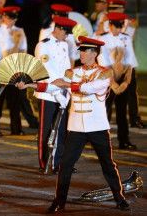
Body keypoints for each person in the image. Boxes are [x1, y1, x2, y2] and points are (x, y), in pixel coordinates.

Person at [16, 36, 130, 213]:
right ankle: (59, 201)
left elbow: (92, 88)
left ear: (94, 53)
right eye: (81, 51)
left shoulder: (104, 73)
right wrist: (30, 85)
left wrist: (68, 84)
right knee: (65, 165)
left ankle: (119, 197)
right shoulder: (73, 72)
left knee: (107, 164)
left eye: (85, 51)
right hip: (76, 127)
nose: (81, 54)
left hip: (97, 127)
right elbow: (54, 86)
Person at [34, 16, 77, 172]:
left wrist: (67, 89)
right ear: (58, 29)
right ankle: (44, 161)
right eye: (66, 33)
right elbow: (45, 70)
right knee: (46, 129)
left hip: (62, 93)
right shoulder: (43, 45)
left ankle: (57, 161)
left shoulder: (64, 45)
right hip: (48, 93)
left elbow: (66, 69)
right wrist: (57, 91)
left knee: (61, 129)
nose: (67, 36)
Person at [96, 12, 137, 150]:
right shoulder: (103, 38)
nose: (118, 29)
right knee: (104, 111)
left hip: (122, 77)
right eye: (116, 26)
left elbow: (130, 60)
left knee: (121, 111)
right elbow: (102, 61)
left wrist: (126, 81)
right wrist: (112, 82)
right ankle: (100, 141)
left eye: (120, 26)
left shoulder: (126, 38)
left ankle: (124, 140)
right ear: (110, 25)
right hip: (107, 79)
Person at [0, 6, 39, 134]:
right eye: (7, 17)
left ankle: (16, 129)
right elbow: (4, 54)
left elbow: (23, 51)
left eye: (12, 17)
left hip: (14, 69)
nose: (9, 20)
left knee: (15, 100)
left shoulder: (19, 31)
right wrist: (15, 45)